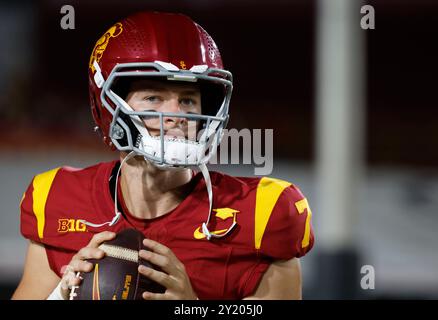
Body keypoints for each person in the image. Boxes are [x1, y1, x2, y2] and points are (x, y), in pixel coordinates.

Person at [12, 11, 314, 300]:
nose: (177, 114)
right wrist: (60, 295)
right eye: (154, 97)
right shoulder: (58, 198)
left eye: (187, 99)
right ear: (109, 108)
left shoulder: (263, 215)